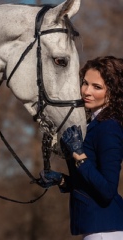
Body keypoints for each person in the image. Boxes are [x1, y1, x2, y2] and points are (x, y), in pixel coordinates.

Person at [39, 56, 123, 240]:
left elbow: (107, 190)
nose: (86, 91)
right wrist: (62, 181)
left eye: (97, 87)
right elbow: (90, 185)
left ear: (113, 92)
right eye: (85, 83)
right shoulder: (93, 124)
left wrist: (79, 156)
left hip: (105, 231)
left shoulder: (109, 127)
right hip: (96, 229)